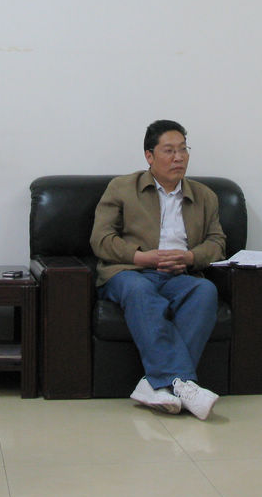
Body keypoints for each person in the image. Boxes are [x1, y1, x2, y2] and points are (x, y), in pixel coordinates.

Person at [90, 120, 225, 420]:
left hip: (179, 275)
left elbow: (217, 243)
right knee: (140, 290)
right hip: (129, 272)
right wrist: (141, 258)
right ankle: (180, 383)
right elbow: (101, 239)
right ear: (149, 156)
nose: (179, 158)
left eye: (183, 150)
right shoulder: (122, 188)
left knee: (205, 290)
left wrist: (190, 257)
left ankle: (158, 386)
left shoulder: (205, 196)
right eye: (169, 151)